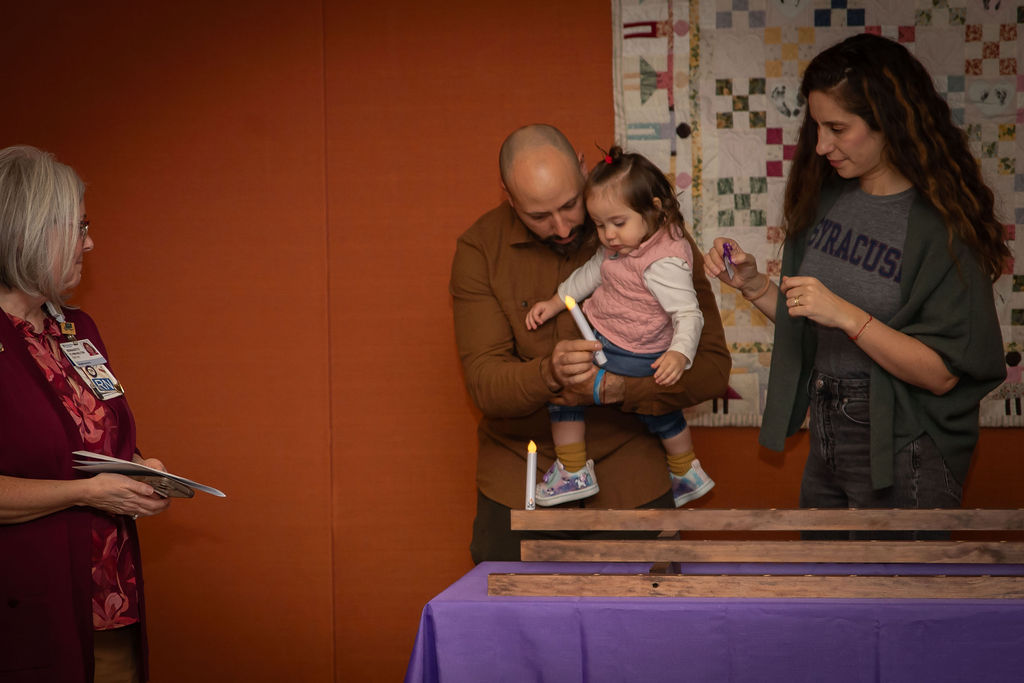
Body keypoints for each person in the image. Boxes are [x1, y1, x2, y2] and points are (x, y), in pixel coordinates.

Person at [704, 34, 1008, 537]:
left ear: (887, 121)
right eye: (817, 127)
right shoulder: (826, 201)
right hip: (827, 429)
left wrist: (846, 314)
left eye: (838, 128)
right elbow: (812, 322)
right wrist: (756, 287)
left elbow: (942, 375)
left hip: (907, 440)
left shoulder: (940, 228)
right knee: (825, 598)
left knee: (898, 601)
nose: (821, 145)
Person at [451, 124, 731, 562]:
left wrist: (620, 387)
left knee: (643, 625)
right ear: (507, 196)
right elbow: (485, 385)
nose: (562, 228)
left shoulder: (652, 234)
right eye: (539, 216)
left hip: (632, 471)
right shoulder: (480, 249)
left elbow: (712, 369)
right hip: (520, 477)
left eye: (569, 205)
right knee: (510, 626)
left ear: (584, 169)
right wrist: (549, 373)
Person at [0, 146, 171, 682]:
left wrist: (140, 474)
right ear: (29, 232)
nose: (90, 242)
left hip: (108, 606)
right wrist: (85, 493)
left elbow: (99, 443)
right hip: (27, 614)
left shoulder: (76, 329)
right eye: (79, 227)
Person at [525, 146, 713, 508]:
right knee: (660, 414)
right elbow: (593, 272)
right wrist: (554, 301)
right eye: (599, 224)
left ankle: (574, 470)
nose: (608, 235)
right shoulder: (629, 243)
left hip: (632, 352)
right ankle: (686, 470)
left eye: (617, 223)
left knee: (566, 393)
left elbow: (690, 315)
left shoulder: (663, 264)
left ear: (655, 209)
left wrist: (679, 352)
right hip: (607, 334)